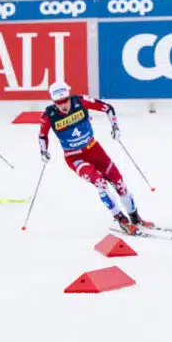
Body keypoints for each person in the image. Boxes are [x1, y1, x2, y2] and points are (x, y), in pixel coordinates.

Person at [38, 82, 150, 235]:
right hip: (74, 157)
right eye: (58, 102)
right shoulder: (48, 115)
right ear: (53, 102)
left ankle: (135, 217)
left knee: (120, 184)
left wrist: (115, 127)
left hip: (94, 149)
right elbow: (42, 135)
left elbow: (108, 108)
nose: (63, 105)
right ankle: (121, 220)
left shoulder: (80, 101)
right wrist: (43, 152)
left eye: (65, 100)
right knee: (101, 183)